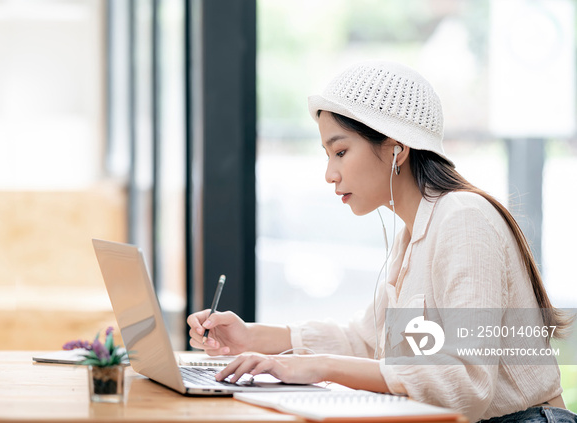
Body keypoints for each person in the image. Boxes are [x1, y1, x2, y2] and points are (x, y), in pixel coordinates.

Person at [187, 61, 576, 423]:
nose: (329, 174)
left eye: (340, 151)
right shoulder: (414, 233)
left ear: (397, 148)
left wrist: (318, 366)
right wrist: (253, 337)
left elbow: (466, 381)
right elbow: (365, 342)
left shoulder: (463, 218)